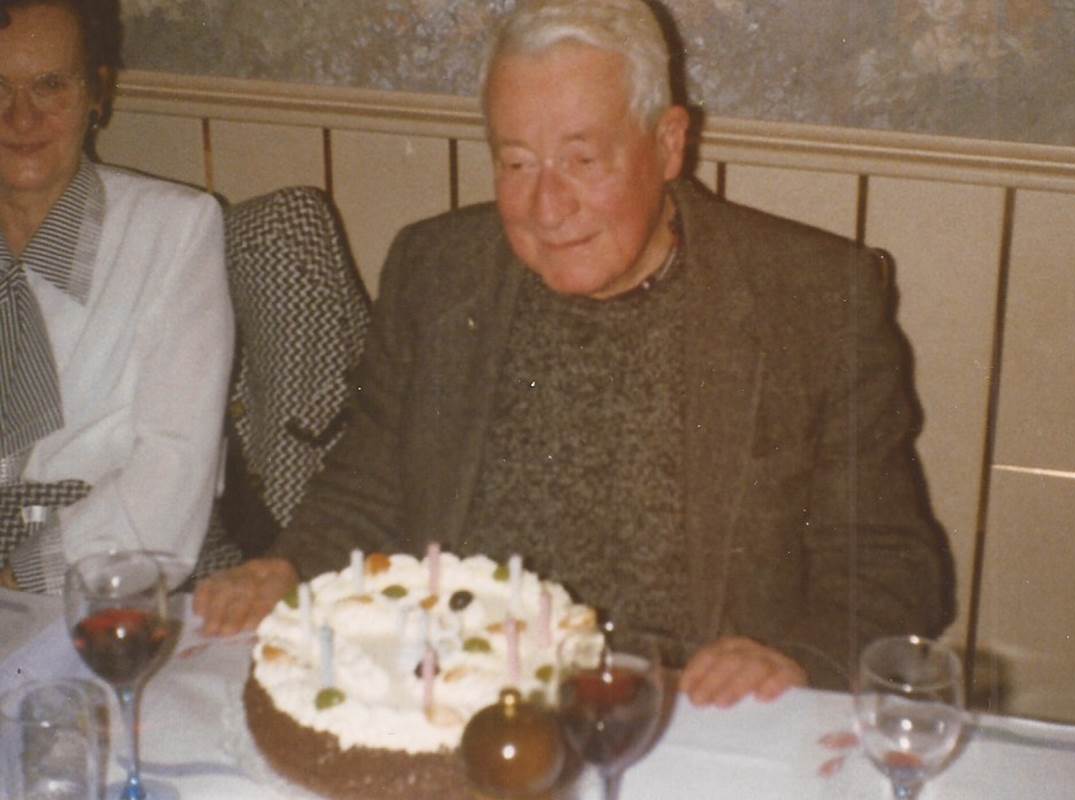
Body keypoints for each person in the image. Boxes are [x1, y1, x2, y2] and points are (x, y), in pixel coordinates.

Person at [195, 0, 954, 706]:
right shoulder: (437, 270)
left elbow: (892, 565)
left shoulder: (810, 299)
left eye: (582, 161)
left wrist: (796, 656)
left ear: (667, 144)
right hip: (460, 699)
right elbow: (370, 481)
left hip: (683, 715)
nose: (545, 208)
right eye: (517, 162)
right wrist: (287, 565)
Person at [0, 0, 233, 592]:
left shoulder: (175, 230)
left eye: (50, 85)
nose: (19, 118)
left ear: (97, 93)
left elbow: (173, 469)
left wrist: (21, 578)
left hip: (110, 564)